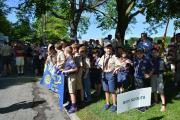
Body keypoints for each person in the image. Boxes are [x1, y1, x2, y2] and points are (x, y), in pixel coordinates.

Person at [99, 42, 117, 112]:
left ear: (111, 49)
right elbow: (100, 64)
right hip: (104, 74)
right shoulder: (103, 57)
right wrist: (102, 68)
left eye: (109, 48)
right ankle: (107, 103)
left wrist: (115, 69)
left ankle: (115, 104)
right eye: (107, 48)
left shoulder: (114, 57)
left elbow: (119, 64)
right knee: (106, 90)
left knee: (112, 90)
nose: (108, 49)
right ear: (104, 49)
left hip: (110, 74)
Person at [62, 46, 78, 113]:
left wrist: (66, 71)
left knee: (72, 93)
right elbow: (68, 68)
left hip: (71, 77)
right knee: (70, 92)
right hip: (69, 77)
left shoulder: (70, 59)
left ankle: (74, 107)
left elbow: (75, 68)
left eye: (64, 51)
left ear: (66, 52)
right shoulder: (68, 58)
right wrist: (62, 70)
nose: (64, 52)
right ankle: (71, 104)